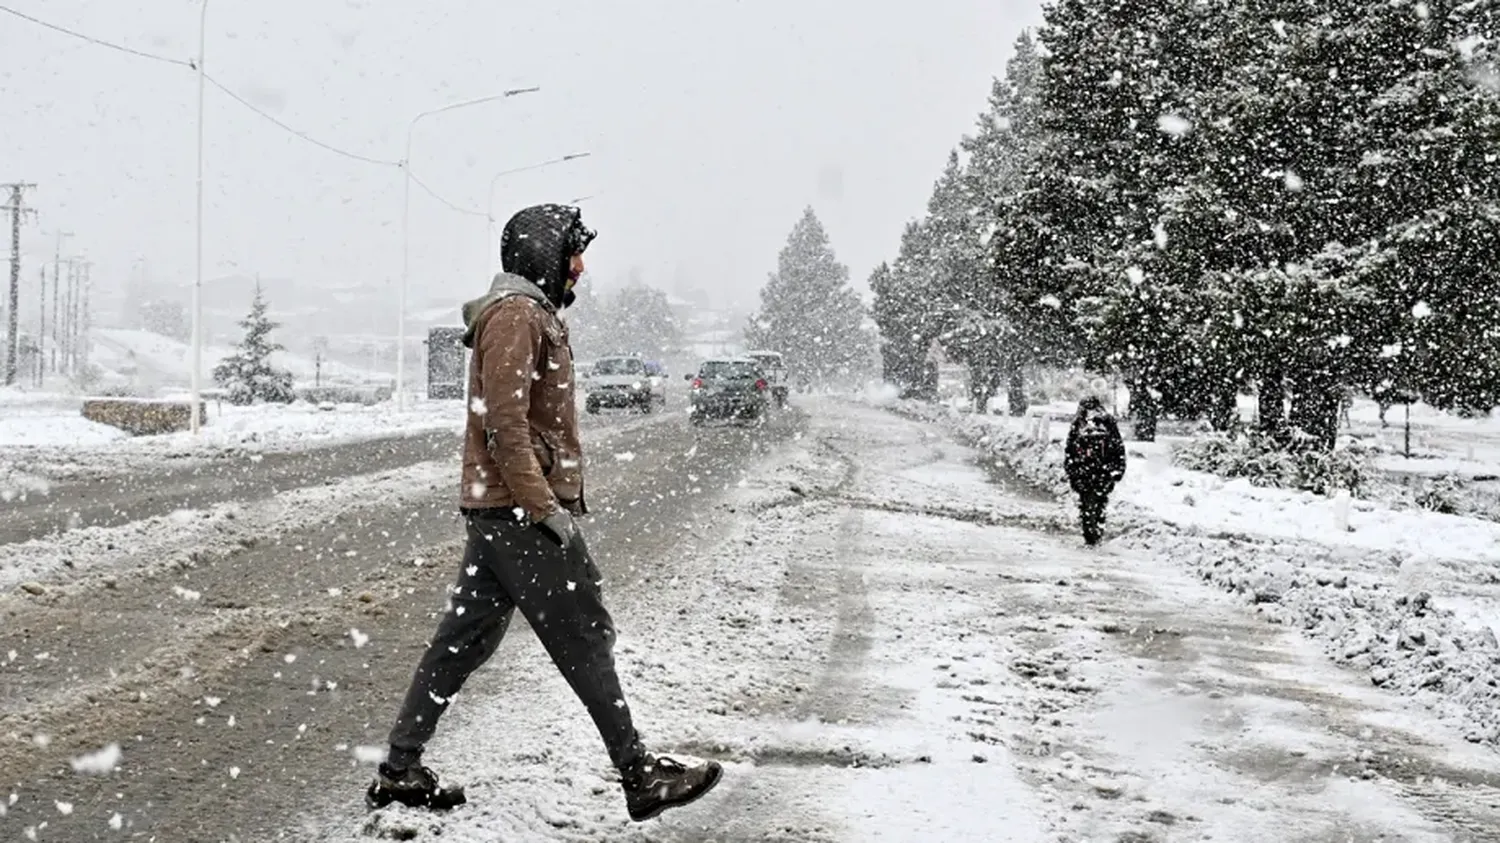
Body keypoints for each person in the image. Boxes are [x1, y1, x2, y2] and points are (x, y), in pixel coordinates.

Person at [366, 204, 722, 821]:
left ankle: (401, 770)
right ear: (541, 254)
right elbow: (504, 425)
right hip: (518, 515)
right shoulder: (517, 318)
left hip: (500, 513)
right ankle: (638, 775)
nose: (579, 266)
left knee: (461, 642)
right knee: (584, 633)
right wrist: (544, 507)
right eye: (571, 253)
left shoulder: (527, 316)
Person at [1063, 395, 1126, 546]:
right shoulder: (1107, 421)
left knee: (1087, 503)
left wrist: (1071, 469)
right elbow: (1118, 447)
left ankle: (1091, 533)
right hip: (1101, 471)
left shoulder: (1079, 423)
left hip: (1085, 471)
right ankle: (1096, 530)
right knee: (1099, 502)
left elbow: (1070, 449)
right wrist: (1118, 468)